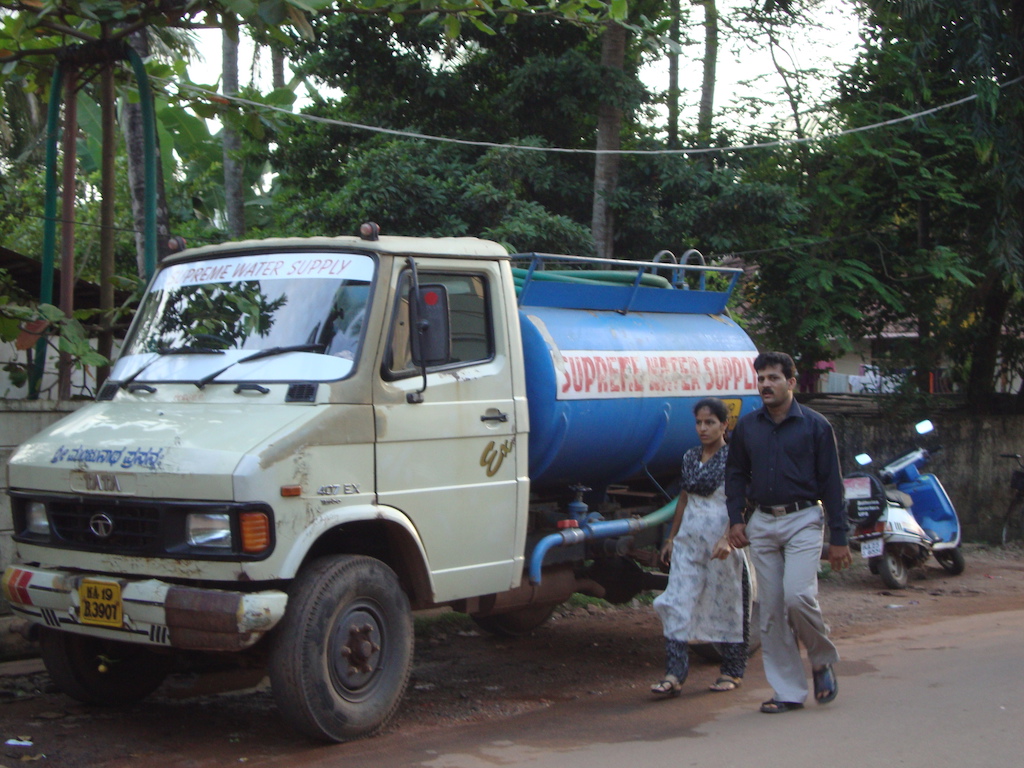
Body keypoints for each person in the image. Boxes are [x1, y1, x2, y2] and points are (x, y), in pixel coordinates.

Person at [725, 351, 852, 714]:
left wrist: (839, 538)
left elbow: (832, 485)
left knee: (798, 596)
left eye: (773, 378)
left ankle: (821, 660)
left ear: (791, 383)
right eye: (761, 378)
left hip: (804, 519)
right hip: (762, 522)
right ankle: (788, 692)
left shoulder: (816, 426)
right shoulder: (747, 427)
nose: (765, 384)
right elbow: (735, 475)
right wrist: (736, 519)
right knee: (771, 610)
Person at [651, 397, 749, 697]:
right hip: (689, 541)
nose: (703, 428)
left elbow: (742, 500)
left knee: (727, 604)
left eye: (710, 422)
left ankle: (731, 671)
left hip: (722, 544)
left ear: (724, 425)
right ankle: (674, 674)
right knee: (677, 602)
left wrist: (728, 538)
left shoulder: (735, 459)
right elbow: (684, 498)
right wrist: (671, 538)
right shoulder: (690, 457)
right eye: (699, 423)